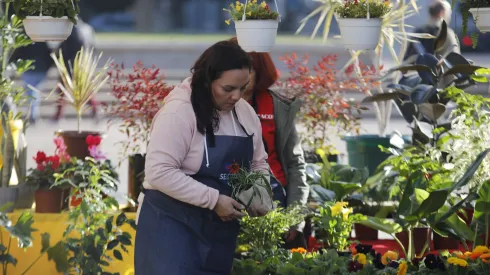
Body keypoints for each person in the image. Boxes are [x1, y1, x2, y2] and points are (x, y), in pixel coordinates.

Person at [135, 40, 272, 274]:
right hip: (170, 226)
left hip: (218, 230)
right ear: (207, 80)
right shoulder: (179, 112)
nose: (236, 96)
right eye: (228, 89)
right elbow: (159, 172)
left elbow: (259, 162)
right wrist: (214, 200)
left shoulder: (245, 114)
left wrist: (260, 191)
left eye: (243, 88)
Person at [229, 37, 309, 248]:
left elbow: (295, 165)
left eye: (249, 70)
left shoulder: (278, 108)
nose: (242, 77)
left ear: (260, 72)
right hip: (227, 204)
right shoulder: (213, 106)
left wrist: (294, 217)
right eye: (235, 69)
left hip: (275, 202)